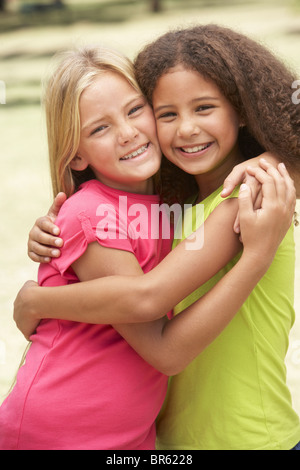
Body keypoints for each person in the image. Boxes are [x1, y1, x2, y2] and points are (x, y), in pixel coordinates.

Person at [19, 25, 300, 450]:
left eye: (204, 107)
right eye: (167, 113)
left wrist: (36, 300)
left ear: (242, 108)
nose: (186, 129)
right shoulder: (175, 208)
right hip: (160, 441)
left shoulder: (249, 195)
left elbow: (150, 309)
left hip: (249, 439)